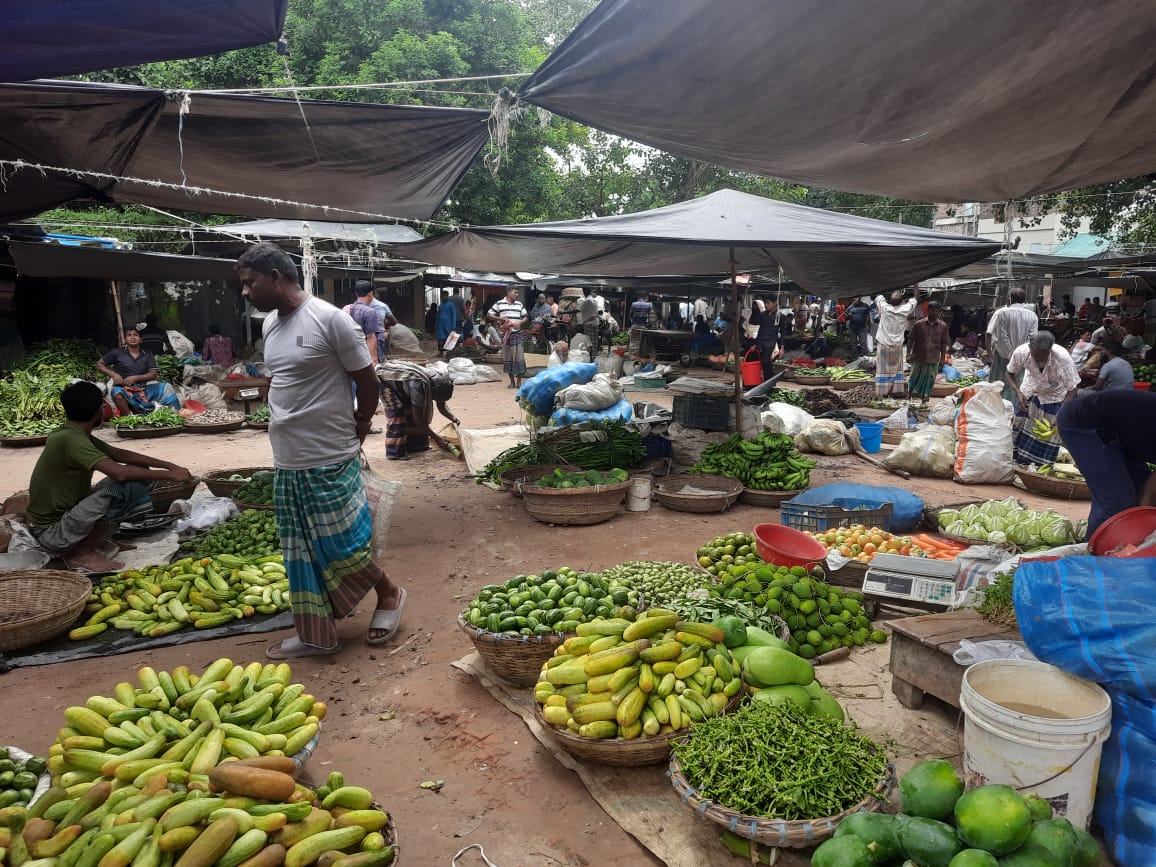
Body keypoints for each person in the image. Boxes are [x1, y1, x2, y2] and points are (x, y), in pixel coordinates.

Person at [237, 242, 405, 658]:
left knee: (344, 547)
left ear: (275, 277)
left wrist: (361, 425)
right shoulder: (270, 325)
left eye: (250, 282)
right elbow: (281, 379)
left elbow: (367, 381)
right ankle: (317, 632)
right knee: (301, 554)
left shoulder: (330, 320)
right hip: (287, 458)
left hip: (330, 453)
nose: (245, 291)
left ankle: (389, 593)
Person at [26, 381, 191, 572]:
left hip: (64, 519)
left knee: (138, 471)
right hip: (53, 532)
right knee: (129, 487)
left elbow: (120, 455)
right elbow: (120, 474)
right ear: (99, 410)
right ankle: (82, 554)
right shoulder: (72, 439)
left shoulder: (71, 433)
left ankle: (97, 541)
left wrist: (168, 466)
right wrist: (171, 475)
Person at [1058, 391, 1156, 534]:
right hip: (1084, 424)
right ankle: (1097, 548)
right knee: (1118, 506)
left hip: (1126, 441)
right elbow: (1148, 498)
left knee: (1136, 501)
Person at [1006, 331, 1081, 466]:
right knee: (1018, 427)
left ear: (1050, 349)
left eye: (1044, 356)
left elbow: (1072, 389)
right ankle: (1015, 461)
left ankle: (1039, 466)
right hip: (1029, 391)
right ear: (1030, 348)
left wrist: (1060, 413)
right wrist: (1018, 394)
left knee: (1048, 435)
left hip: (1054, 396)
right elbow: (1009, 373)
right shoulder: (1021, 353)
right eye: (1036, 356)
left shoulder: (1063, 359)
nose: (1040, 360)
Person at [377, 361, 459, 461]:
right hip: (384, 382)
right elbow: (418, 419)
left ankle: (416, 446)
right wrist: (438, 440)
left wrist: (453, 418)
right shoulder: (418, 386)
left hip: (403, 384)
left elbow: (441, 404)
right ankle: (394, 452)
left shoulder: (441, 383)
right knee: (398, 415)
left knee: (413, 411)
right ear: (432, 391)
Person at [96, 328, 182, 416]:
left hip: (144, 389)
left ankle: (175, 415)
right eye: (129, 335)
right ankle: (129, 418)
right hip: (124, 388)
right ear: (125, 340)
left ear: (141, 340)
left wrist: (135, 378)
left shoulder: (147, 353)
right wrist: (114, 375)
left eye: (136, 335)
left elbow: (153, 374)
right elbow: (99, 364)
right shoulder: (117, 352)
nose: (132, 337)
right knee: (116, 392)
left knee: (166, 387)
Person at [985, 287, 1039, 403]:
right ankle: (1014, 408)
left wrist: (1011, 354)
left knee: (998, 385)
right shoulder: (1033, 315)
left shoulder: (1003, 313)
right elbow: (1032, 338)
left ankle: (997, 407)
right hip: (1023, 357)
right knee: (1018, 384)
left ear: (1011, 298)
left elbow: (1003, 336)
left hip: (1003, 356)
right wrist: (1020, 354)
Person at [874, 290, 917, 397]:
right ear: (902, 301)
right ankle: (894, 391)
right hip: (897, 345)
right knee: (896, 369)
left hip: (884, 344)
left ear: (889, 300)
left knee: (883, 369)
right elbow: (916, 298)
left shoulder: (884, 307)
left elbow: (879, 295)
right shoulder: (905, 309)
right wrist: (915, 284)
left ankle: (882, 392)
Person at [908, 300, 951, 405]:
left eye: (937, 311)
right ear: (928, 310)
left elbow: (944, 344)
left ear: (939, 311)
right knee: (914, 377)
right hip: (918, 356)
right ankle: (909, 397)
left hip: (933, 357)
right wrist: (908, 354)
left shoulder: (943, 326)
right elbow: (911, 339)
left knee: (930, 379)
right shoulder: (919, 324)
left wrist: (942, 359)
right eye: (932, 310)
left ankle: (924, 400)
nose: (934, 313)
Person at [488, 286, 529, 389]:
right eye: (515, 292)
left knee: (519, 358)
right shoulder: (499, 303)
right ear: (509, 292)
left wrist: (520, 322)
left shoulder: (519, 304)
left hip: (517, 334)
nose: (517, 295)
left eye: (517, 293)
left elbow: (526, 317)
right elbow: (489, 314)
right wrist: (499, 318)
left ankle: (519, 381)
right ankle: (512, 382)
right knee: (508, 358)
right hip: (506, 335)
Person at [755, 299, 785, 380]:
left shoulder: (780, 316)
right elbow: (760, 329)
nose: (766, 305)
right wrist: (756, 343)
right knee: (764, 363)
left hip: (771, 342)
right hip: (762, 341)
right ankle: (768, 381)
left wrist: (782, 347)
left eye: (768, 303)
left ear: (775, 303)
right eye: (766, 303)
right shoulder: (763, 314)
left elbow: (783, 332)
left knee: (765, 361)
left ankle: (771, 380)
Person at [367, 286, 397, 361]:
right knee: (379, 357)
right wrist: (385, 323)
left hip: (366, 335)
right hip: (379, 334)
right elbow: (394, 321)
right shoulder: (383, 306)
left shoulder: (362, 305)